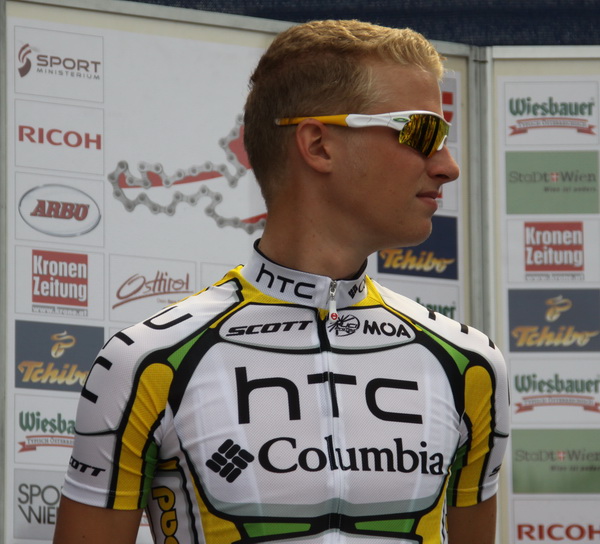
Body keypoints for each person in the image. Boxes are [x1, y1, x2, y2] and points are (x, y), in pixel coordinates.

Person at [54, 19, 509, 544]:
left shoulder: (470, 365)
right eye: (422, 133)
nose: (448, 166)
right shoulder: (148, 364)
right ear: (318, 145)